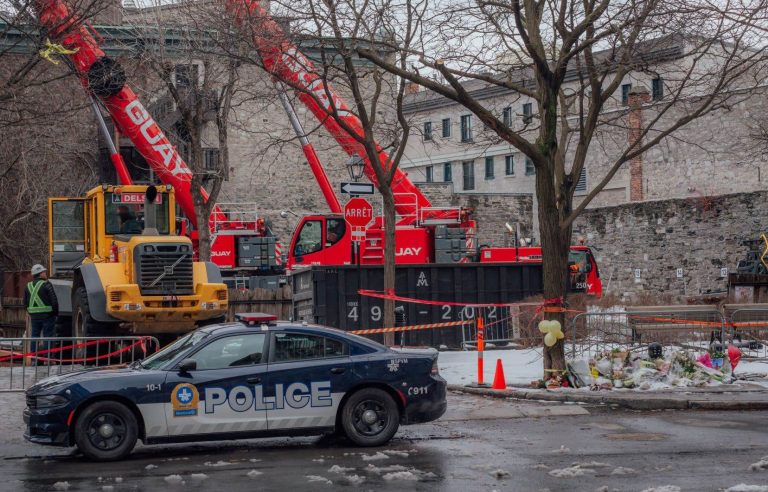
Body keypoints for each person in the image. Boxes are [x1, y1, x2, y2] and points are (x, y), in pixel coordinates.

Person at [24, 264, 59, 356]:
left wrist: (31, 312)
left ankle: (34, 359)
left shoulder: (28, 286)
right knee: (48, 336)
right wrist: (55, 313)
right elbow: (54, 301)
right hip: (48, 316)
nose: (45, 273)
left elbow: (25, 302)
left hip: (34, 317)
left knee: (34, 337)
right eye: (44, 272)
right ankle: (47, 358)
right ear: (40, 274)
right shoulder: (46, 284)